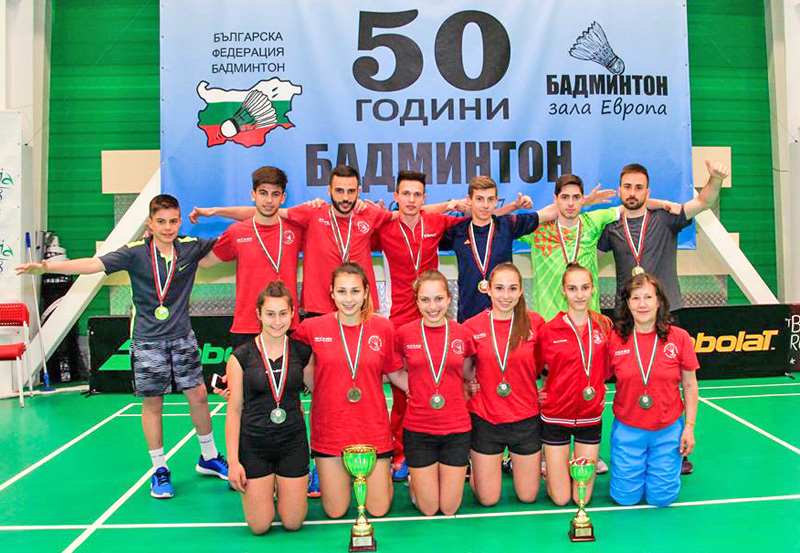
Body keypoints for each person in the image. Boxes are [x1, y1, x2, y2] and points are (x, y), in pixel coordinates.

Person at [17, 194, 228, 498]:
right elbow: (93, 263)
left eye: (173, 221)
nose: (168, 227)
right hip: (148, 340)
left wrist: (225, 211)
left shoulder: (190, 247)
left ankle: (209, 457)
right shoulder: (134, 252)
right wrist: (47, 267)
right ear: (150, 224)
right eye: (161, 222)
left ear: (180, 221)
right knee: (153, 403)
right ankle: (160, 469)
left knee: (198, 396)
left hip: (182, 337)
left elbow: (237, 239)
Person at [597, 160, 728, 475]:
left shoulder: (666, 219)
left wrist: (715, 179)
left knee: (669, 384)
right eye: (627, 187)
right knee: (631, 383)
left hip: (666, 314)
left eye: (639, 187)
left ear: (648, 191)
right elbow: (588, 256)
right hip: (626, 316)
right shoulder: (610, 228)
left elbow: (703, 202)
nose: (632, 192)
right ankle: (631, 446)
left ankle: (676, 448)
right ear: (619, 191)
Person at [371, 170, 466, 482]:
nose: (411, 200)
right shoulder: (384, 225)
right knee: (403, 393)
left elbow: (481, 216)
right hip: (399, 319)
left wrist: (459, 204)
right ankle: (400, 453)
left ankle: (446, 447)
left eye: (417, 194)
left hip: (433, 316)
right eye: (405, 194)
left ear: (424, 198)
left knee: (441, 383)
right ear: (395, 197)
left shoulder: (436, 222)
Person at [291, 262, 405, 519]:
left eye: (355, 291)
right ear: (331, 293)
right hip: (330, 428)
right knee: (335, 511)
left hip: (372, 428)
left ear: (366, 293)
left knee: (377, 510)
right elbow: (288, 362)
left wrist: (440, 390)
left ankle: (382, 476)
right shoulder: (312, 329)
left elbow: (397, 374)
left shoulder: (383, 328)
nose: (349, 299)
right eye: (342, 291)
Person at [225, 282, 313, 534]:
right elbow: (234, 411)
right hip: (254, 445)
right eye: (270, 314)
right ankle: (267, 488)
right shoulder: (241, 357)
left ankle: (281, 487)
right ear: (259, 314)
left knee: (293, 523)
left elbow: (320, 391)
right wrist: (233, 462)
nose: (277, 321)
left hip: (292, 443)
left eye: (283, 314)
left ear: (292, 313)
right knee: (260, 526)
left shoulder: (302, 353)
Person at [607, 273, 699, 507]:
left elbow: (690, 385)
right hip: (628, 429)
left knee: (662, 499)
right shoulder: (615, 339)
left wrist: (689, 428)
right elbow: (595, 377)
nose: (642, 304)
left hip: (667, 429)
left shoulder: (679, 338)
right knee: (624, 498)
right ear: (627, 304)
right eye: (635, 298)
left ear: (659, 301)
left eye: (648, 297)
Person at [193, 167, 305, 348]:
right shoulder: (236, 232)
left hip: (286, 324)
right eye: (263, 193)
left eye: (275, 194)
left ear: (283, 198)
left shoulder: (296, 230)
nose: (269, 200)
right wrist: (164, 244)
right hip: (247, 326)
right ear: (253, 195)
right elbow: (205, 262)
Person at [394, 270, 476, 515]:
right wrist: (412, 388)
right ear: (417, 301)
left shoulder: (462, 334)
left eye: (439, 299)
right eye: (425, 300)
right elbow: (395, 371)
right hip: (419, 429)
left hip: (456, 429)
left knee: (449, 508)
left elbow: (468, 373)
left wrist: (469, 388)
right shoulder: (404, 334)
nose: (432, 307)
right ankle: (416, 482)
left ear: (449, 298)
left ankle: (433, 479)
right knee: (428, 509)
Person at [463, 263, 545, 505]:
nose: (505, 296)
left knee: (528, 496)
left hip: (525, 419)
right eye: (499, 288)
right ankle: (478, 468)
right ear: (488, 289)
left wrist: (546, 388)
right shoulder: (472, 326)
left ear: (521, 291)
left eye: (512, 288)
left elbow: (547, 363)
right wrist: (467, 385)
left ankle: (508, 463)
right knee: (487, 499)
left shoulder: (535, 323)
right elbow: (463, 368)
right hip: (486, 418)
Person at [536, 263, 612, 506]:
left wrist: (599, 388)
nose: (579, 294)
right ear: (563, 291)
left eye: (585, 288)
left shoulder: (604, 326)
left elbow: (608, 368)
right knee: (560, 499)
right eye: (572, 288)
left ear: (593, 289)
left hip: (590, 417)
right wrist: (539, 392)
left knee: (583, 499)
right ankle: (553, 474)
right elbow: (535, 367)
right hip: (555, 417)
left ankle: (562, 471)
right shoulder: (548, 330)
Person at [519, 173, 618, 322]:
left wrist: (662, 204)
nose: (570, 203)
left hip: (589, 323)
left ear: (582, 198)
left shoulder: (593, 221)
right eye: (564, 197)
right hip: (548, 324)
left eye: (576, 197)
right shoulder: (538, 229)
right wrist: (585, 202)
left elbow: (631, 208)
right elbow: (498, 223)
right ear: (555, 199)